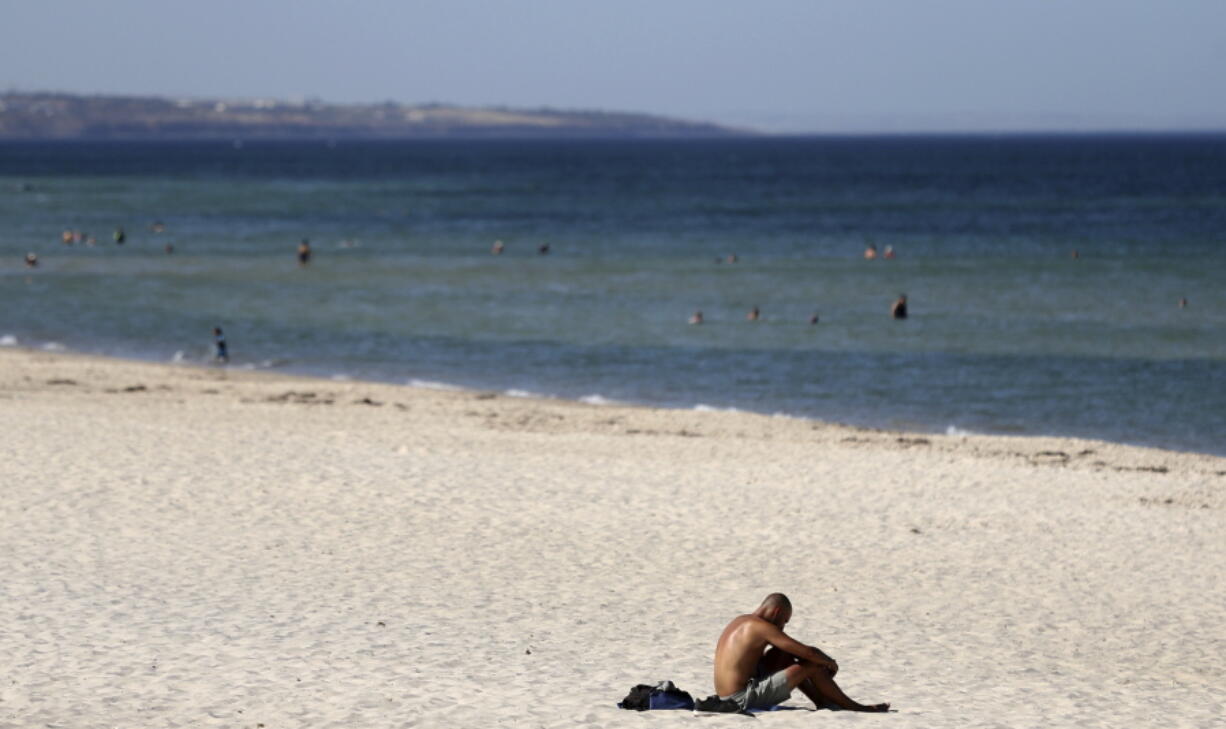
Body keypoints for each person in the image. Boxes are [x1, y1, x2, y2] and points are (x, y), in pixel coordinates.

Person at [713, 593, 889, 713]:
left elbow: (791, 650)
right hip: (740, 699)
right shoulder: (761, 627)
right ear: (777, 612)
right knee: (812, 664)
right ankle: (855, 707)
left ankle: (823, 702)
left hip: (728, 694)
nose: (783, 626)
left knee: (782, 654)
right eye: (784, 620)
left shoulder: (741, 621)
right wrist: (830, 662)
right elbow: (808, 653)